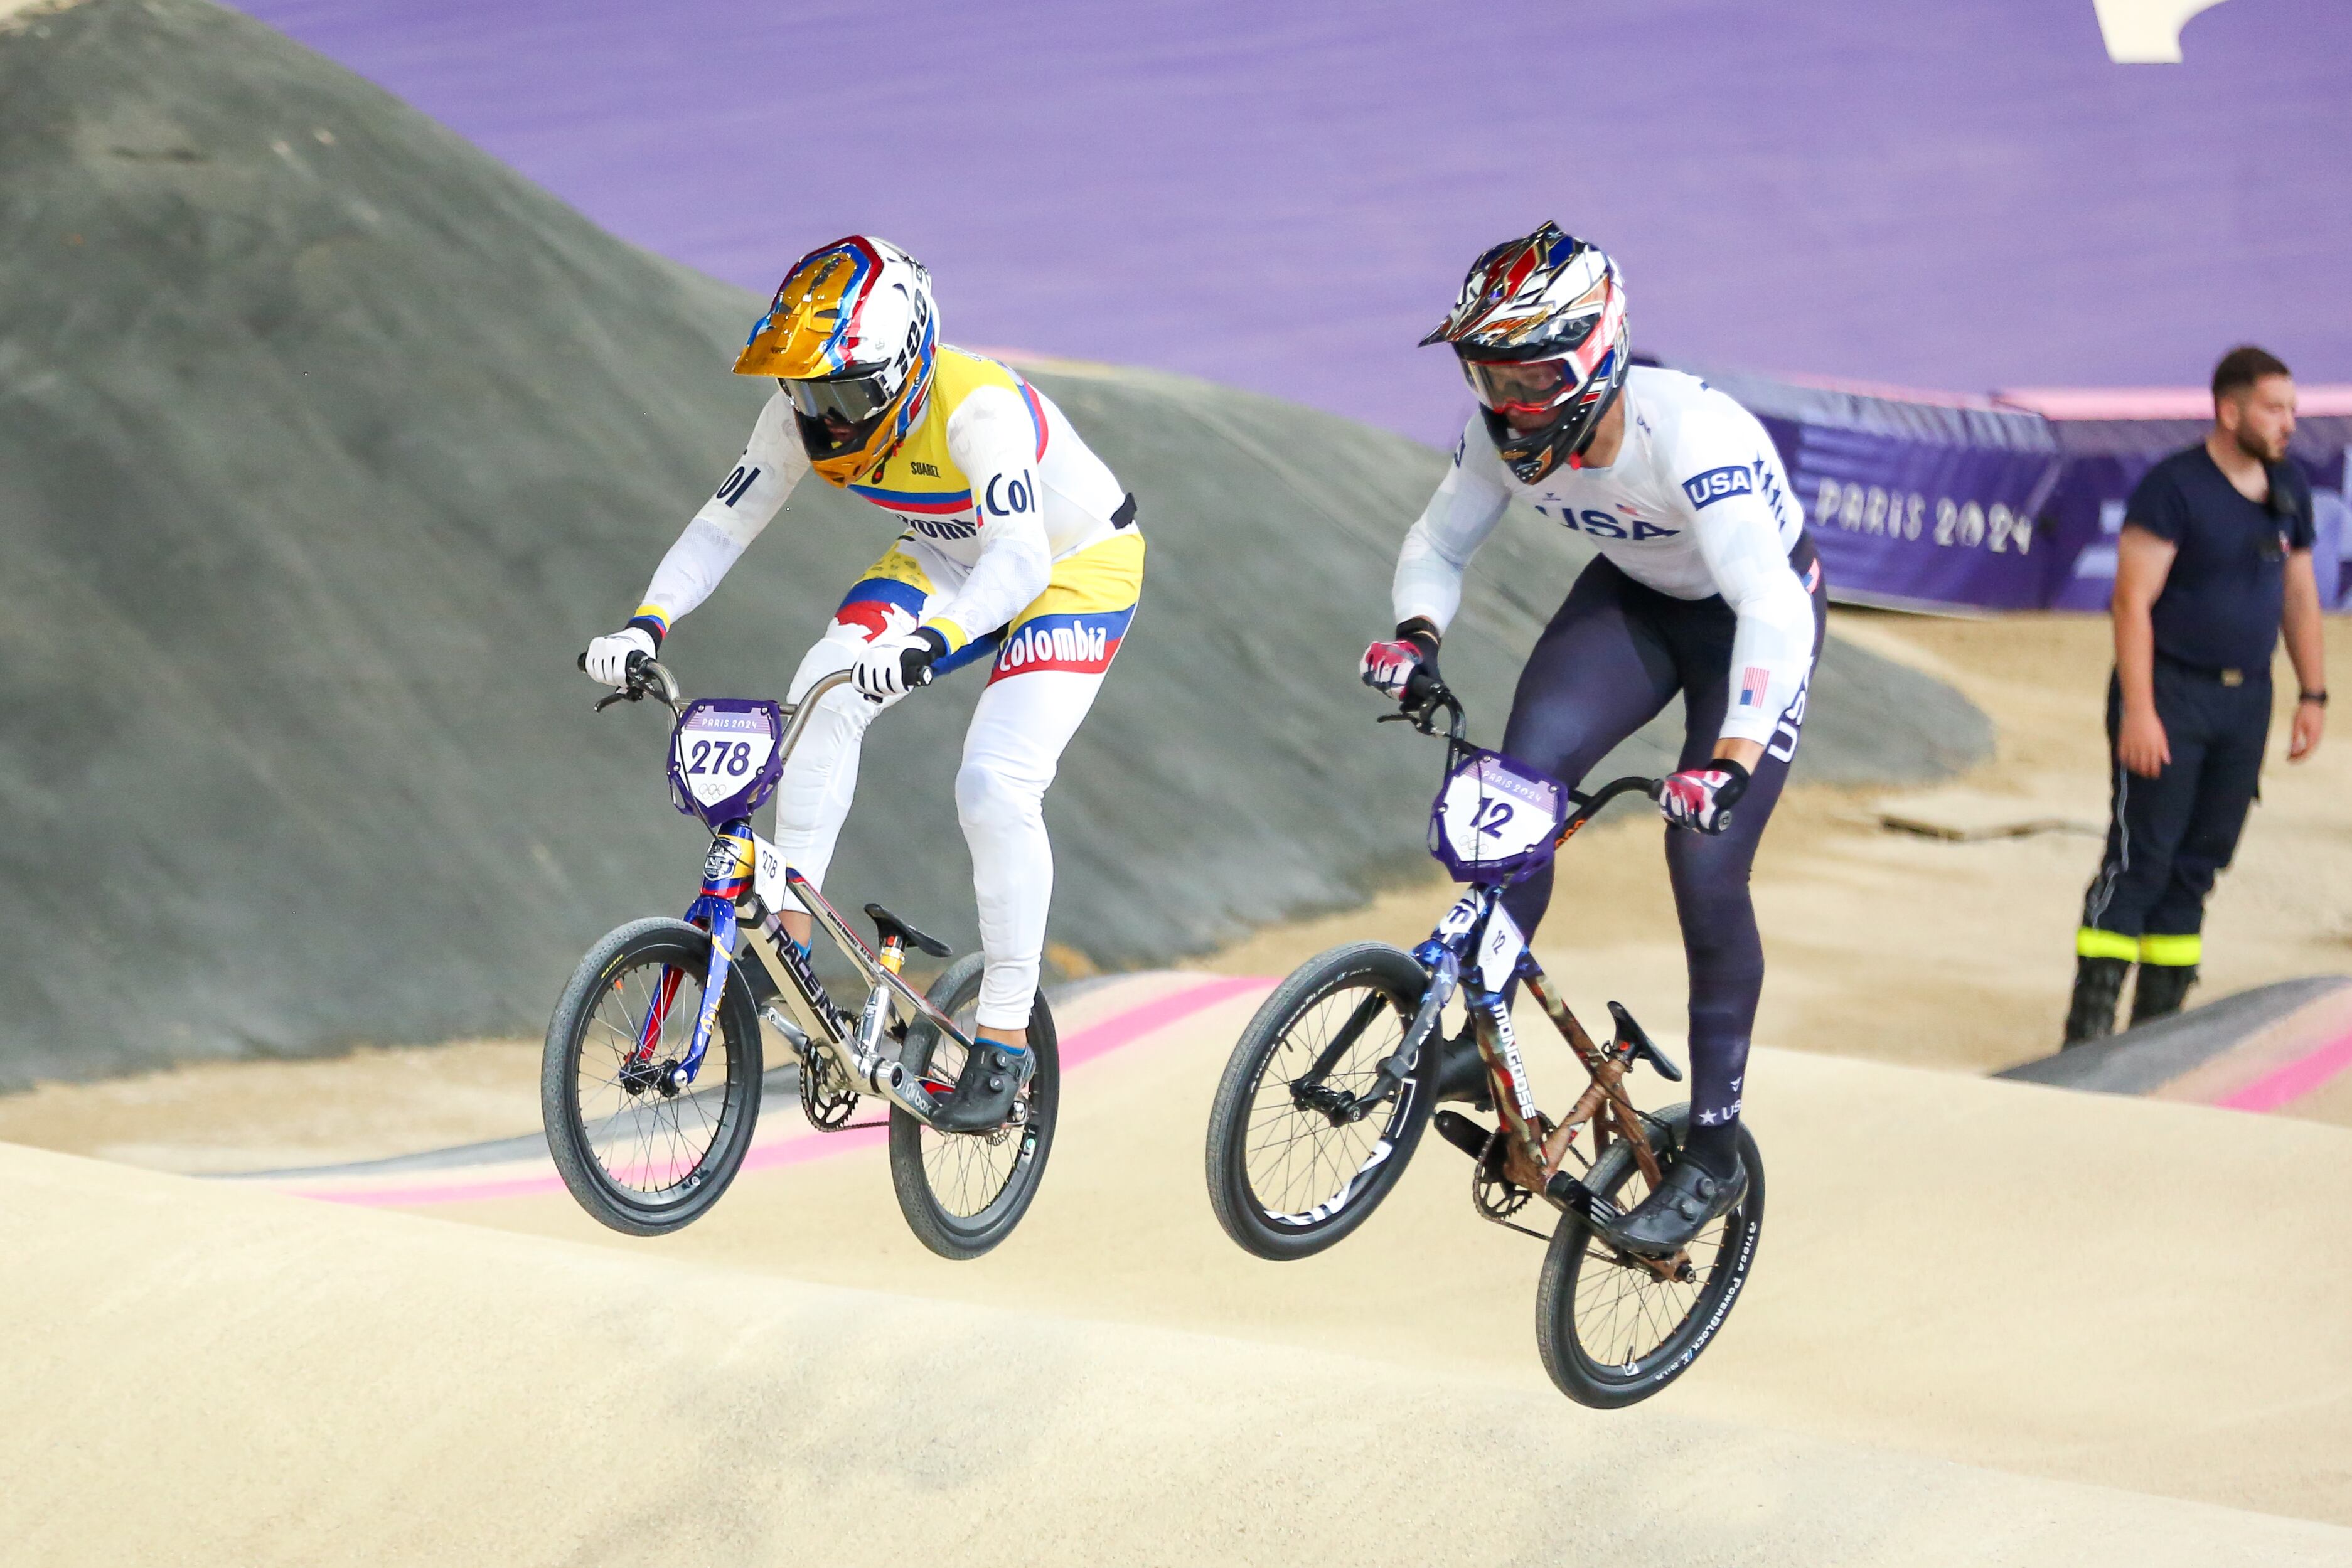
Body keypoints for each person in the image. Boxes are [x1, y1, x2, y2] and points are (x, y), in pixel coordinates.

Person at [581, 235, 1145, 1131]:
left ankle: (1005, 1032)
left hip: (1071, 566)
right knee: (824, 686)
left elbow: (1023, 558)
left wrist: (936, 640)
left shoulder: (980, 414)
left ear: (907, 371)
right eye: (804, 388)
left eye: (840, 393)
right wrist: (646, 621)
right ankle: (793, 940)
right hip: (949, 551)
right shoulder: (800, 408)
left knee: (995, 784)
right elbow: (724, 524)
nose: (821, 416)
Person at [1360, 223, 1824, 1257]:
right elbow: (1437, 541)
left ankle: (1710, 1146)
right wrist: (1415, 637)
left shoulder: (1692, 437)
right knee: (1514, 793)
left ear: (1593, 355)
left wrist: (1730, 759)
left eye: (1527, 375)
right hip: (1634, 602)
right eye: (1488, 374)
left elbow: (1771, 611)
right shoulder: (1499, 432)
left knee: (1702, 864)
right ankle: (1479, 1037)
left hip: (1753, 620)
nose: (1505, 401)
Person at [2063, 346, 2327, 1044]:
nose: (2288, 424)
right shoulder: (2173, 489)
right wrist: (2141, 711)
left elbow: (2298, 596)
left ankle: (2156, 1041)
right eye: (2275, 409)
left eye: (2293, 410)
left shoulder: (2288, 489)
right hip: (2170, 697)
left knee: (2197, 868)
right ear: (2228, 409)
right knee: (2139, 861)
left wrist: (2314, 693)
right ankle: (2087, 1041)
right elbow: (2130, 603)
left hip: (2245, 706)